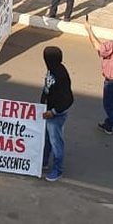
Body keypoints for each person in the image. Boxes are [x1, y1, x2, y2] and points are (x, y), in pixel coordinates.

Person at [40, 46, 74, 182]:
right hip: (47, 110)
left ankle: (58, 170)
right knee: (46, 139)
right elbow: (47, 88)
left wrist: (53, 112)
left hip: (56, 115)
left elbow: (68, 99)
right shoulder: (51, 70)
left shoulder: (61, 75)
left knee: (56, 142)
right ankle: (43, 161)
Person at [83, 18, 113, 134]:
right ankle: (108, 125)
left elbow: (98, 47)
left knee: (109, 107)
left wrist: (89, 30)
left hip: (112, 82)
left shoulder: (112, 46)